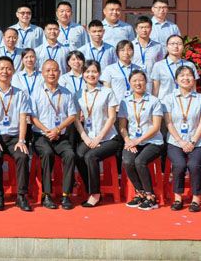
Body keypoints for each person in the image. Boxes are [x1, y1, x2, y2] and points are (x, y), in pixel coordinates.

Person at [0, 56, 32, 211]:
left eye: (8, 68)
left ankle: (21, 196)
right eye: (2, 68)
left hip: (14, 137)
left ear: (13, 71)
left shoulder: (20, 94)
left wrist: (21, 140)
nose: (5, 71)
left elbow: (23, 118)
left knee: (22, 156)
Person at [29, 59, 78, 210]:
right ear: (42, 73)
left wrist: (57, 129)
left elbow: (72, 115)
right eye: (48, 70)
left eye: (55, 70)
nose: (51, 73)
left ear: (60, 72)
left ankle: (66, 194)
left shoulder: (67, 92)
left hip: (60, 136)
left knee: (70, 155)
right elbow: (32, 117)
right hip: (41, 136)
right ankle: (46, 194)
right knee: (47, 153)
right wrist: (47, 131)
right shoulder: (36, 92)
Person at [74, 60, 122, 207]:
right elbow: (76, 118)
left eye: (94, 72)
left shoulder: (107, 92)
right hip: (89, 136)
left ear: (99, 73)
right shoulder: (79, 94)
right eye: (87, 72)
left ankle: (95, 194)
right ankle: (90, 188)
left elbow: (112, 117)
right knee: (78, 155)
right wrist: (85, 137)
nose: (91, 75)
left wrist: (99, 138)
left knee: (90, 156)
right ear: (83, 74)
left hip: (109, 138)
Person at [163, 66, 201, 212]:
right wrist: (181, 141)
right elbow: (169, 123)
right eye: (182, 75)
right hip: (175, 142)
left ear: (194, 79)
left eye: (189, 75)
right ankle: (178, 198)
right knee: (179, 165)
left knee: (194, 165)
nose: (186, 78)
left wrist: (193, 141)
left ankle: (196, 199)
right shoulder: (169, 99)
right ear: (176, 80)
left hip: (197, 142)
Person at [118, 69, 164, 211]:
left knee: (140, 161)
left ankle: (151, 197)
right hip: (132, 141)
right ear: (130, 83)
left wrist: (137, 141)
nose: (138, 83)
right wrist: (128, 140)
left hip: (153, 142)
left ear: (146, 82)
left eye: (141, 80)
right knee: (127, 161)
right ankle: (140, 193)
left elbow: (156, 127)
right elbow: (122, 126)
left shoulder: (154, 101)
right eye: (134, 81)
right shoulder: (125, 102)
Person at [151, 35, 199, 100]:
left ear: (183, 47)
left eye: (179, 44)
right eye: (172, 44)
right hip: (165, 103)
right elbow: (155, 90)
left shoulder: (190, 65)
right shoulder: (158, 65)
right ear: (167, 47)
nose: (176, 46)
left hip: (185, 102)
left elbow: (193, 88)